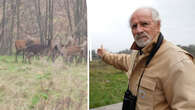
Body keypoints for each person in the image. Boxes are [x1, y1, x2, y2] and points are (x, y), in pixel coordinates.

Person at [97, 7, 195, 110]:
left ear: (158, 25)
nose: (138, 30)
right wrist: (104, 54)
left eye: (144, 24)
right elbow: (121, 60)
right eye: (134, 26)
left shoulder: (177, 62)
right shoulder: (138, 54)